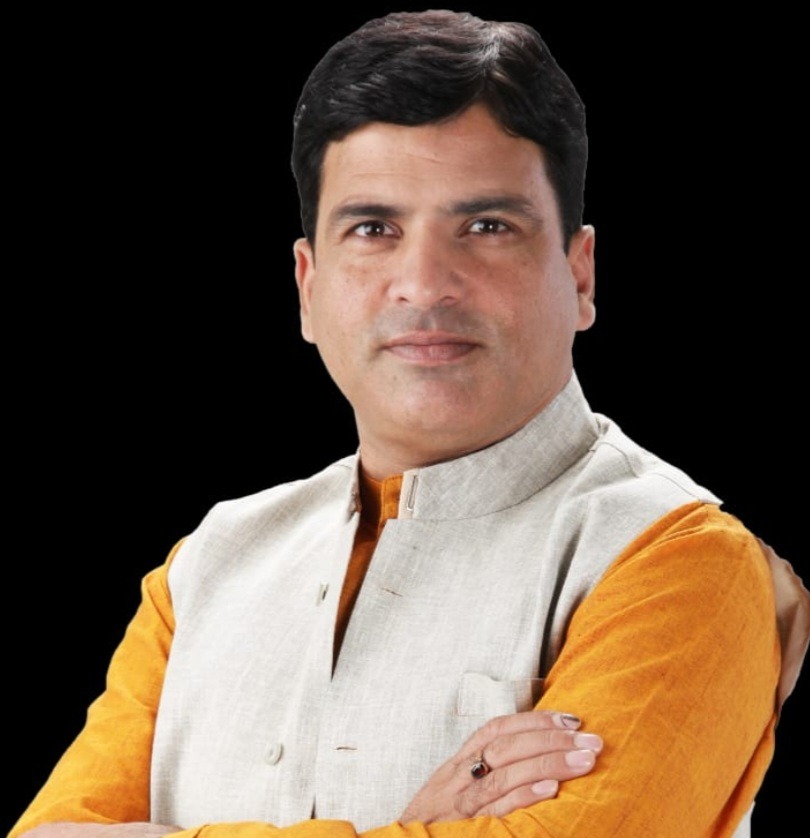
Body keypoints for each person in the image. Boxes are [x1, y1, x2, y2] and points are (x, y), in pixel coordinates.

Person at [10, 8, 810, 838]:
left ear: (580, 275)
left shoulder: (676, 559)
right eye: (373, 229)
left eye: (487, 227)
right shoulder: (209, 567)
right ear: (307, 286)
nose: (425, 284)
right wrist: (412, 829)